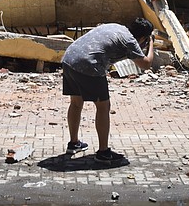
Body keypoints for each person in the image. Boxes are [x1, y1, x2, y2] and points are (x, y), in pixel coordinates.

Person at [61, 17, 155, 164]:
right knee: (103, 107)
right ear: (143, 37)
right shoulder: (130, 41)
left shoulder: (116, 27)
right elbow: (146, 64)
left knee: (76, 103)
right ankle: (103, 152)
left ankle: (74, 143)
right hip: (89, 64)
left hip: (69, 59)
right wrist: (151, 45)